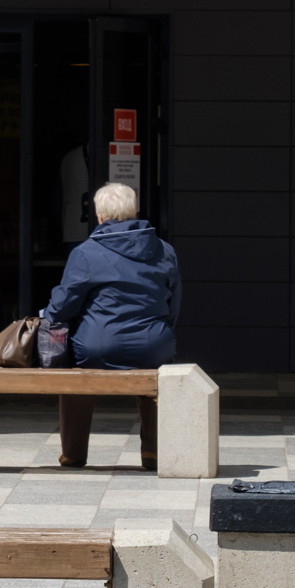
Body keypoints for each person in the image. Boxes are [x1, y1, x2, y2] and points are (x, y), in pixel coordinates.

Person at [40, 182, 180, 471]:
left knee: (74, 375)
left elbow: (63, 306)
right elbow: (174, 304)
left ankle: (74, 454)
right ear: (135, 212)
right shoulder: (165, 250)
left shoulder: (87, 252)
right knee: (151, 373)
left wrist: (47, 312)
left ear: (100, 216)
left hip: (98, 348)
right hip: (154, 346)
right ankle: (152, 452)